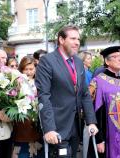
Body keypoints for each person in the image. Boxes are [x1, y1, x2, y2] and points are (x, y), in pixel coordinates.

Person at [35, 25, 98, 158]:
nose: (77, 42)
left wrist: (91, 121)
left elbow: (85, 94)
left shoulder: (78, 62)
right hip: (56, 128)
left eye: (78, 39)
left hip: (76, 127)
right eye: (73, 38)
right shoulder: (47, 61)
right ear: (61, 40)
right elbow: (44, 97)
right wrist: (49, 129)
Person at [12, 56, 43, 158]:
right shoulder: (17, 83)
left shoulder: (40, 82)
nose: (29, 72)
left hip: (37, 122)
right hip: (23, 122)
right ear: (21, 69)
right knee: (23, 151)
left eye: (31, 69)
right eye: (26, 69)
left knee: (37, 151)